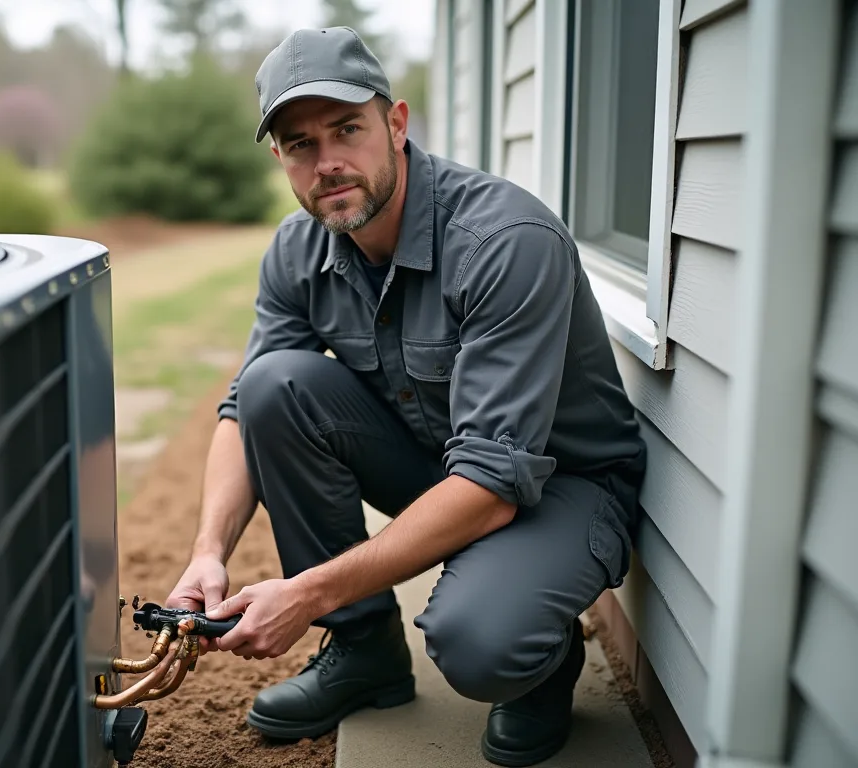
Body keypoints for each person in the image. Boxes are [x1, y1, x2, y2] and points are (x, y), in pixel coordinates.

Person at [162, 25, 648, 767]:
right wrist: (207, 553)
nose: (327, 163)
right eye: (299, 144)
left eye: (346, 129)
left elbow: (491, 485)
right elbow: (241, 412)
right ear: (280, 160)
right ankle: (365, 653)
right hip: (440, 461)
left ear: (396, 123)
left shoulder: (504, 240)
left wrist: (306, 593)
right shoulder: (299, 252)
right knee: (271, 385)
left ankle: (543, 665)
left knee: (477, 641)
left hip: (564, 484)